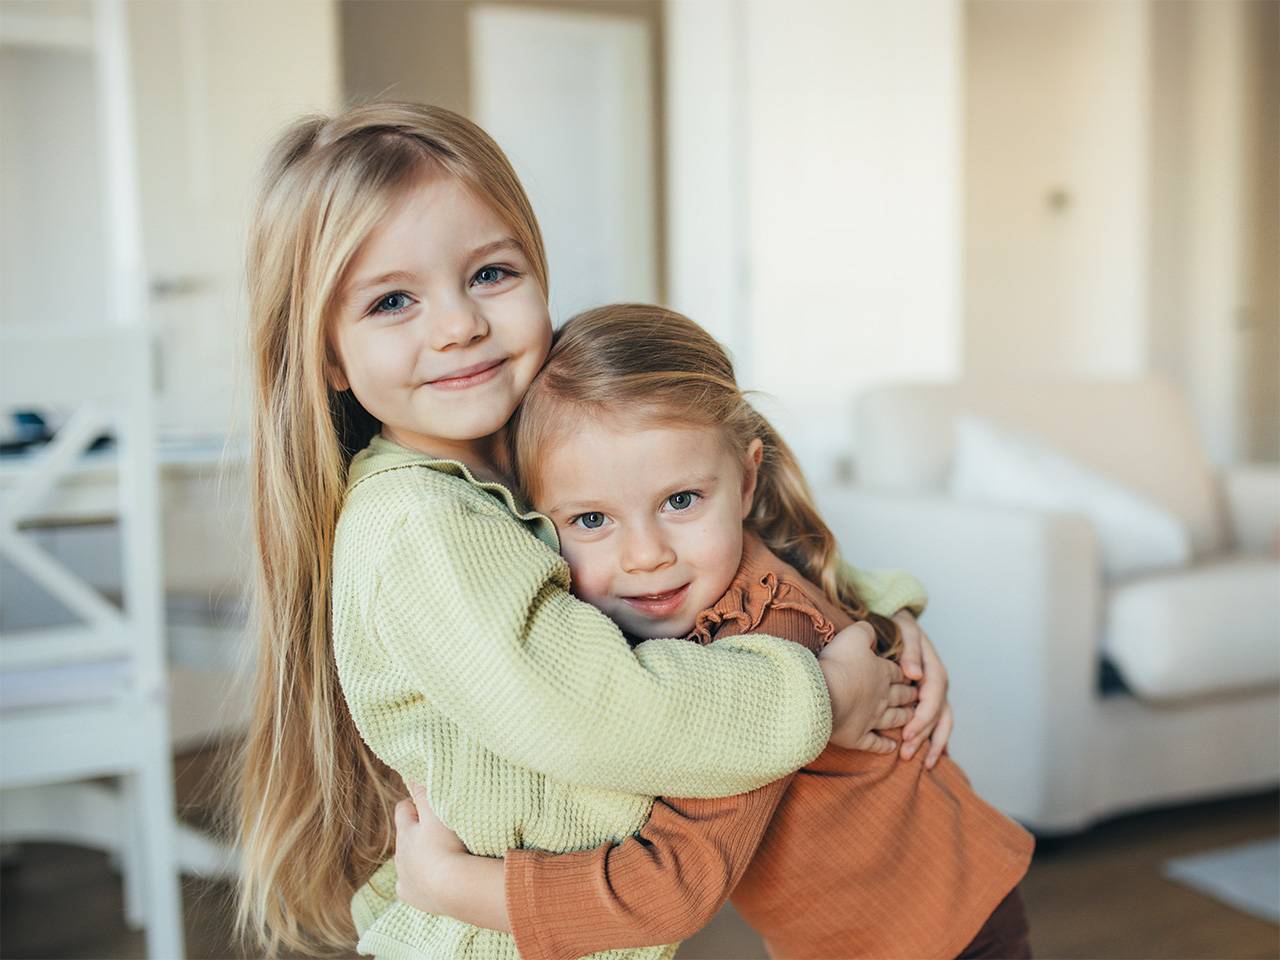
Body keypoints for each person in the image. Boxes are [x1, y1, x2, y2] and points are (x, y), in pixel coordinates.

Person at [235, 102, 952, 958]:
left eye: (491, 275)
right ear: (325, 355)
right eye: (393, 301)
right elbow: (597, 715)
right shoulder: (422, 527)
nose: (458, 324)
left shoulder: (523, 448)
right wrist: (828, 693)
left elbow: (715, 523)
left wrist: (873, 618)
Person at [392, 305, 1034, 959]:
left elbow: (667, 892)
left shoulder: (754, 662)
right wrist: (895, 609)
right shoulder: (702, 591)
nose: (646, 556)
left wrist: (451, 884)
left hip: (940, 937)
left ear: (747, 479)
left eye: (680, 501)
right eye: (591, 519)